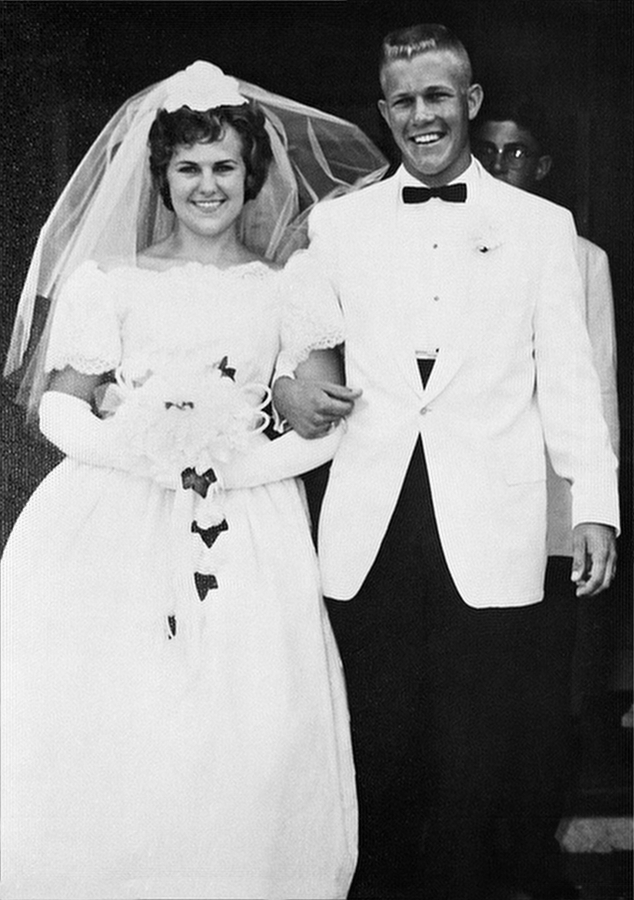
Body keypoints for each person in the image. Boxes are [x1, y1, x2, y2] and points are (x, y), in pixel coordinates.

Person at [0, 61, 387, 900]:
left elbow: (324, 424)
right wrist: (152, 452)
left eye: (224, 166)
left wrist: (230, 464)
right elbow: (59, 409)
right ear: (162, 178)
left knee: (247, 721)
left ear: (252, 175)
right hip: (117, 519)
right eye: (188, 168)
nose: (207, 185)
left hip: (244, 525)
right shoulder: (110, 282)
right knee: (125, 710)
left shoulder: (290, 286)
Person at [273, 24, 620, 900]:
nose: (420, 115)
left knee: (477, 758)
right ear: (384, 111)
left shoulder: (542, 227)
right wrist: (287, 388)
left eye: (436, 96)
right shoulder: (338, 224)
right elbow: (298, 347)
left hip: (493, 525)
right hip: (371, 525)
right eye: (403, 100)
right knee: (380, 749)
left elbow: (571, 378)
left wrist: (594, 505)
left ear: (469, 102)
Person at [473, 94, 620, 898]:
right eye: (490, 149)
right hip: (469, 509)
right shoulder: (450, 245)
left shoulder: (581, 256)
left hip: (549, 514)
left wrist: (593, 509)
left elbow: (595, 386)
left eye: (518, 152)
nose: (502, 166)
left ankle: (530, 845)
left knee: (544, 693)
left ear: (545, 166)